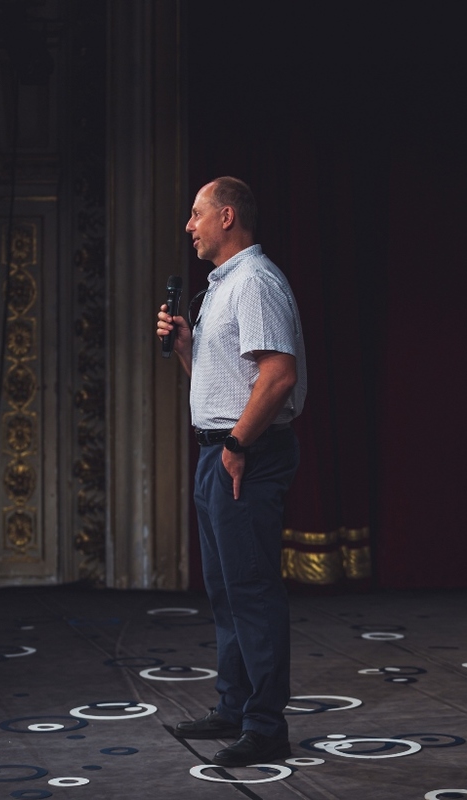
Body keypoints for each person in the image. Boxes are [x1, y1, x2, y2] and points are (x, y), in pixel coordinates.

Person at [156, 176, 307, 768]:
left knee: (251, 589)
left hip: (247, 454)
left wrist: (240, 443)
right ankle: (235, 705)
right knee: (225, 591)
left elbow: (278, 374)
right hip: (217, 452)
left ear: (226, 217)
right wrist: (187, 348)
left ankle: (266, 726)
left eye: (196, 214)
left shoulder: (255, 282)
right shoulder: (222, 287)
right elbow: (225, 385)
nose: (188, 226)